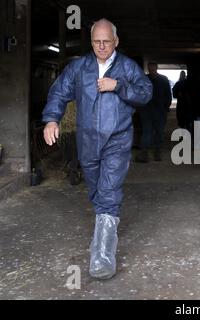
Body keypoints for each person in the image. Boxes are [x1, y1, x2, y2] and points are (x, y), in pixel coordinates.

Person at [42, 19, 153, 280]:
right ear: (91, 41)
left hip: (118, 139)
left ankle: (102, 257)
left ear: (116, 41)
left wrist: (119, 86)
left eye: (106, 41)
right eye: (96, 41)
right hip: (88, 141)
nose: (101, 46)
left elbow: (145, 93)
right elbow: (59, 92)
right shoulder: (79, 68)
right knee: (96, 191)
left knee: (109, 190)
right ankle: (103, 234)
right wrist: (51, 119)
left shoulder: (127, 67)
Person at [135, 62, 172, 163]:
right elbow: (138, 93)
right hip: (146, 111)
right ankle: (144, 153)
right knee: (147, 132)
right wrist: (139, 107)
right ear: (148, 68)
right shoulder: (144, 79)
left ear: (156, 68)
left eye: (153, 68)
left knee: (159, 132)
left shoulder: (163, 79)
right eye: (150, 69)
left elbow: (168, 94)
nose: (151, 70)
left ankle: (157, 151)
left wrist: (166, 106)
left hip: (160, 111)